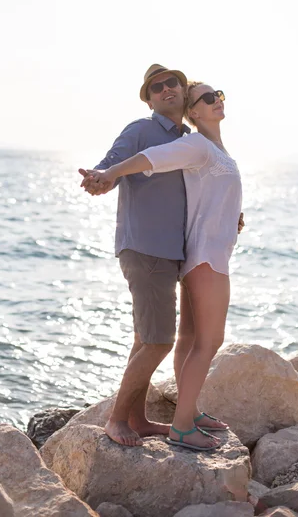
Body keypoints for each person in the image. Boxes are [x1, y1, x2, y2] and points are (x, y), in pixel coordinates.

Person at [83, 81, 243, 451]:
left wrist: (234, 214)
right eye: (207, 97)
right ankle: (181, 425)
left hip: (196, 252)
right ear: (194, 111)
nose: (217, 100)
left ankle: (188, 413)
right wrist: (108, 175)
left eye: (219, 94)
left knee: (188, 339)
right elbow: (149, 159)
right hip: (206, 255)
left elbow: (206, 196)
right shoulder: (197, 143)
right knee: (208, 341)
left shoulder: (209, 146)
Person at [79, 64, 193, 447]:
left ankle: (138, 418)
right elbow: (112, 165)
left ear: (183, 89)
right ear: (148, 99)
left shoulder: (188, 138)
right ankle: (116, 420)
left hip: (169, 253)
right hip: (145, 248)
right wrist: (99, 178)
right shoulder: (140, 130)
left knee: (145, 339)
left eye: (172, 83)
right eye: (155, 88)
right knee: (160, 341)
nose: (165, 90)